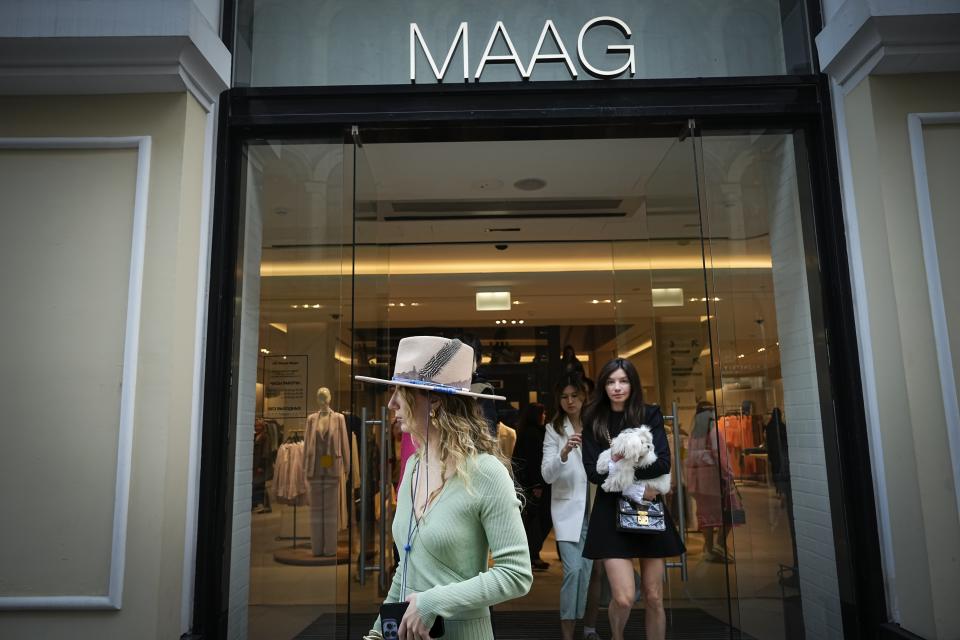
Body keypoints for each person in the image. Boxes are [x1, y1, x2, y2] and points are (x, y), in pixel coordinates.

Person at [357, 336, 532, 640]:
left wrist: (433, 602)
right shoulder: (413, 466)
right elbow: (407, 569)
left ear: (435, 400)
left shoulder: (486, 473)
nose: (391, 403)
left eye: (403, 391)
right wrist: (377, 633)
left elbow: (516, 575)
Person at [581, 358, 686, 640]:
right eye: (611, 382)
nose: (617, 387)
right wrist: (636, 488)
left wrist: (619, 469)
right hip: (610, 513)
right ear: (603, 386)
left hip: (648, 511)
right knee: (625, 597)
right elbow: (593, 472)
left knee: (653, 596)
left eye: (623, 381)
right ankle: (617, 636)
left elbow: (662, 464)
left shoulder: (649, 414)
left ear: (633, 384)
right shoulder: (593, 418)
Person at [541, 374, 603, 640]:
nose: (569, 401)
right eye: (564, 397)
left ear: (583, 397)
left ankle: (589, 629)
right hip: (568, 512)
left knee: (593, 573)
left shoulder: (597, 426)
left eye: (574, 396)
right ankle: (568, 633)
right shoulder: (554, 429)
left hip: (598, 510)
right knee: (574, 570)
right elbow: (546, 475)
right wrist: (563, 453)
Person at [684, 401, 741, 563]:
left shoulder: (694, 434)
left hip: (698, 483)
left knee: (706, 516)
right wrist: (728, 475)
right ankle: (719, 545)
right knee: (731, 512)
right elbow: (720, 457)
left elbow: (689, 459)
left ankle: (708, 549)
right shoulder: (715, 432)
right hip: (714, 481)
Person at [513, 402, 552, 571]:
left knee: (531, 521)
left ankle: (532, 555)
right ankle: (532, 555)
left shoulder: (525, 432)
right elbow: (535, 461)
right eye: (542, 414)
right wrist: (538, 484)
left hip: (526, 484)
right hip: (535, 484)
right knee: (538, 520)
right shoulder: (534, 434)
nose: (545, 417)